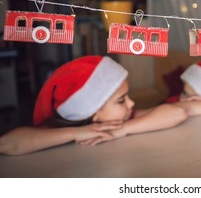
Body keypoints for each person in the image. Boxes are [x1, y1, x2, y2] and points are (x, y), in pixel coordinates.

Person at [0, 56, 188, 156]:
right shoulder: (52, 132)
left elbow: (177, 112)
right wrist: (76, 133)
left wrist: (123, 130)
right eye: (121, 100)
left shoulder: (117, 122)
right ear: (93, 112)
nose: (131, 103)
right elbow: (8, 144)